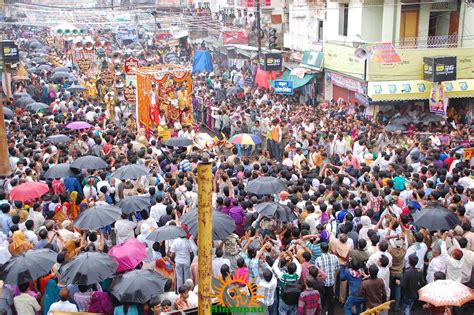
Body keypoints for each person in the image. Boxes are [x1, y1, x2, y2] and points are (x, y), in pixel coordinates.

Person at [315, 242, 339, 315]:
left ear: (321, 249)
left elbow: (317, 272)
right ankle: (330, 313)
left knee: (322, 299)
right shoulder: (334, 257)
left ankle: (320, 312)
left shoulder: (318, 259)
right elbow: (337, 268)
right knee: (330, 300)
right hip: (331, 282)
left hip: (322, 283)